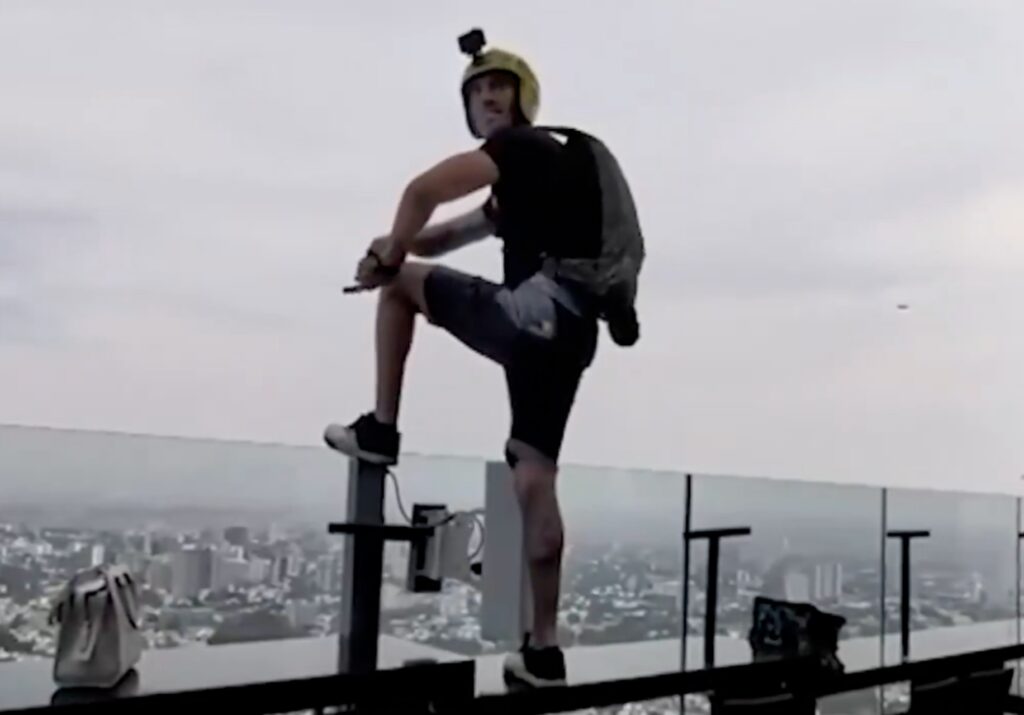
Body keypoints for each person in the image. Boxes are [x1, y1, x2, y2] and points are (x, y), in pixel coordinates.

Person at [324, 36, 606, 688]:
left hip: (530, 319)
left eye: (498, 87)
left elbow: (421, 191)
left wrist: (389, 260)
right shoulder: (537, 175)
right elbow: (448, 234)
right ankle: (544, 650)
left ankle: (381, 430)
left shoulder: (519, 148)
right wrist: (393, 245)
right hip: (569, 336)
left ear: (522, 100)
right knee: (534, 477)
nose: (487, 97)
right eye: (478, 91)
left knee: (400, 289)